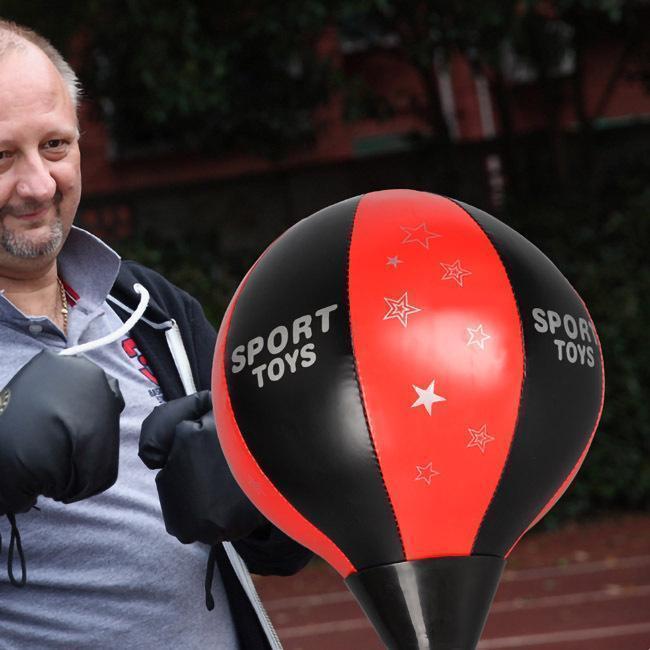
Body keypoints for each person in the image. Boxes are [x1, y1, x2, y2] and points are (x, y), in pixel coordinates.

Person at [0, 19, 310, 649]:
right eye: (0, 156)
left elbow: (286, 548)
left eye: (55, 145)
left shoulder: (151, 308)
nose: (38, 185)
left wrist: (255, 499)